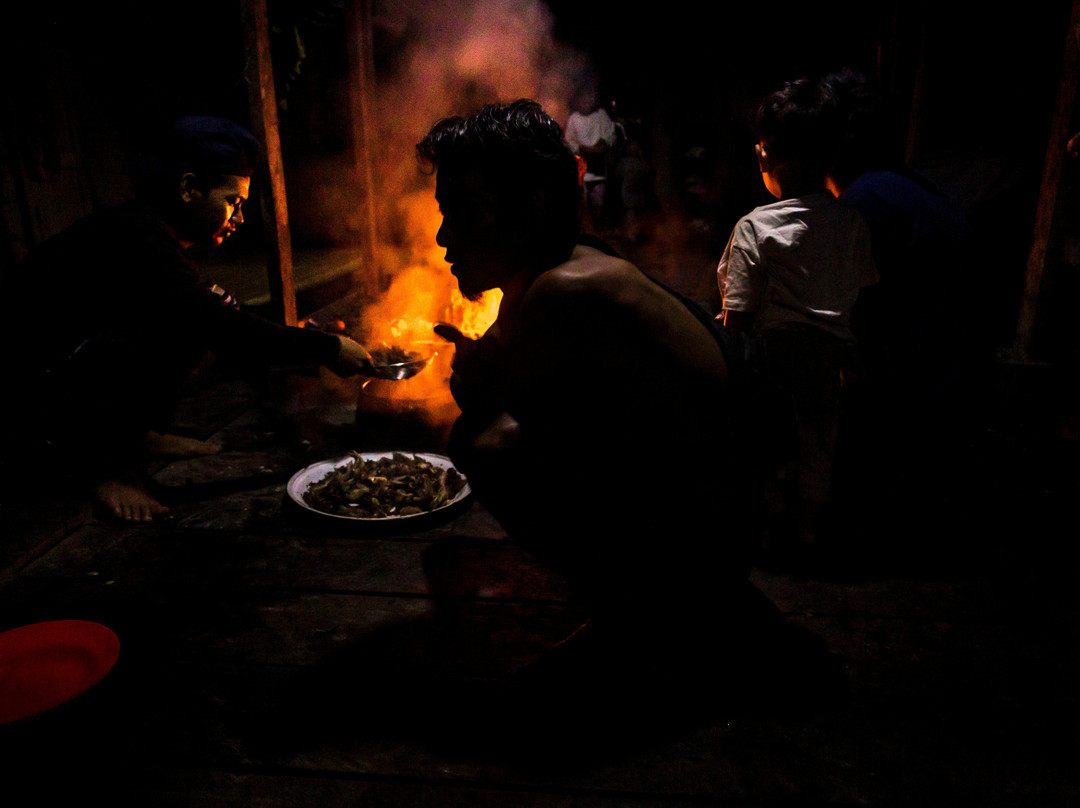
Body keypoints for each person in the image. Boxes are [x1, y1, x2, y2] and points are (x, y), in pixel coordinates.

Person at [419, 100, 833, 718]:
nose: (444, 236)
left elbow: (491, 405)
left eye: (462, 214)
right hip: (726, 514)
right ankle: (657, 597)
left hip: (717, 539)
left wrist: (479, 378)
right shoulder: (569, 266)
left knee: (484, 444)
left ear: (530, 208)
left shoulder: (564, 292)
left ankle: (644, 618)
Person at [0, 116, 372, 522]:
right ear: (188, 188)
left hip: (56, 378)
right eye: (233, 202)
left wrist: (301, 343)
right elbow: (222, 328)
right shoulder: (138, 238)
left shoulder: (152, 232)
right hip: (26, 397)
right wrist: (327, 349)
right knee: (190, 323)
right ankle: (103, 468)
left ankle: (131, 436)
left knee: (208, 309)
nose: (239, 218)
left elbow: (220, 315)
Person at [717, 77, 878, 556]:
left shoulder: (754, 227)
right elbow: (862, 297)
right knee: (816, 441)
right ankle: (806, 528)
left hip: (774, 357)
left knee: (763, 443)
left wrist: (728, 374)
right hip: (828, 358)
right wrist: (853, 355)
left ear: (764, 156)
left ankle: (764, 528)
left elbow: (738, 315)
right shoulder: (852, 223)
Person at [563, 86, 617, 228]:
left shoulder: (601, 115)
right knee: (583, 203)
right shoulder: (574, 118)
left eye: (590, 98)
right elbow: (569, 142)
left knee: (599, 203)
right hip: (582, 169)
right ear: (579, 101)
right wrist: (586, 149)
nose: (587, 101)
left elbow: (610, 134)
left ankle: (598, 230)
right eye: (584, 98)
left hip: (599, 168)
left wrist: (603, 143)